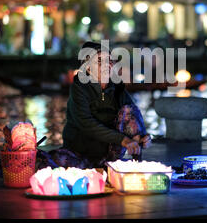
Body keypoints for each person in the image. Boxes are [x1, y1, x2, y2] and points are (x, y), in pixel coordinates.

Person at [46, 41, 151, 169]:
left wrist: (142, 137)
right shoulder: (79, 88)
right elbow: (86, 122)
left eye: (109, 61)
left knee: (128, 110)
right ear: (88, 68)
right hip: (81, 152)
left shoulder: (117, 89)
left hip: (109, 153)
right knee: (55, 160)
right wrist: (122, 139)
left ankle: (136, 165)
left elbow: (133, 115)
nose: (107, 65)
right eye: (100, 61)